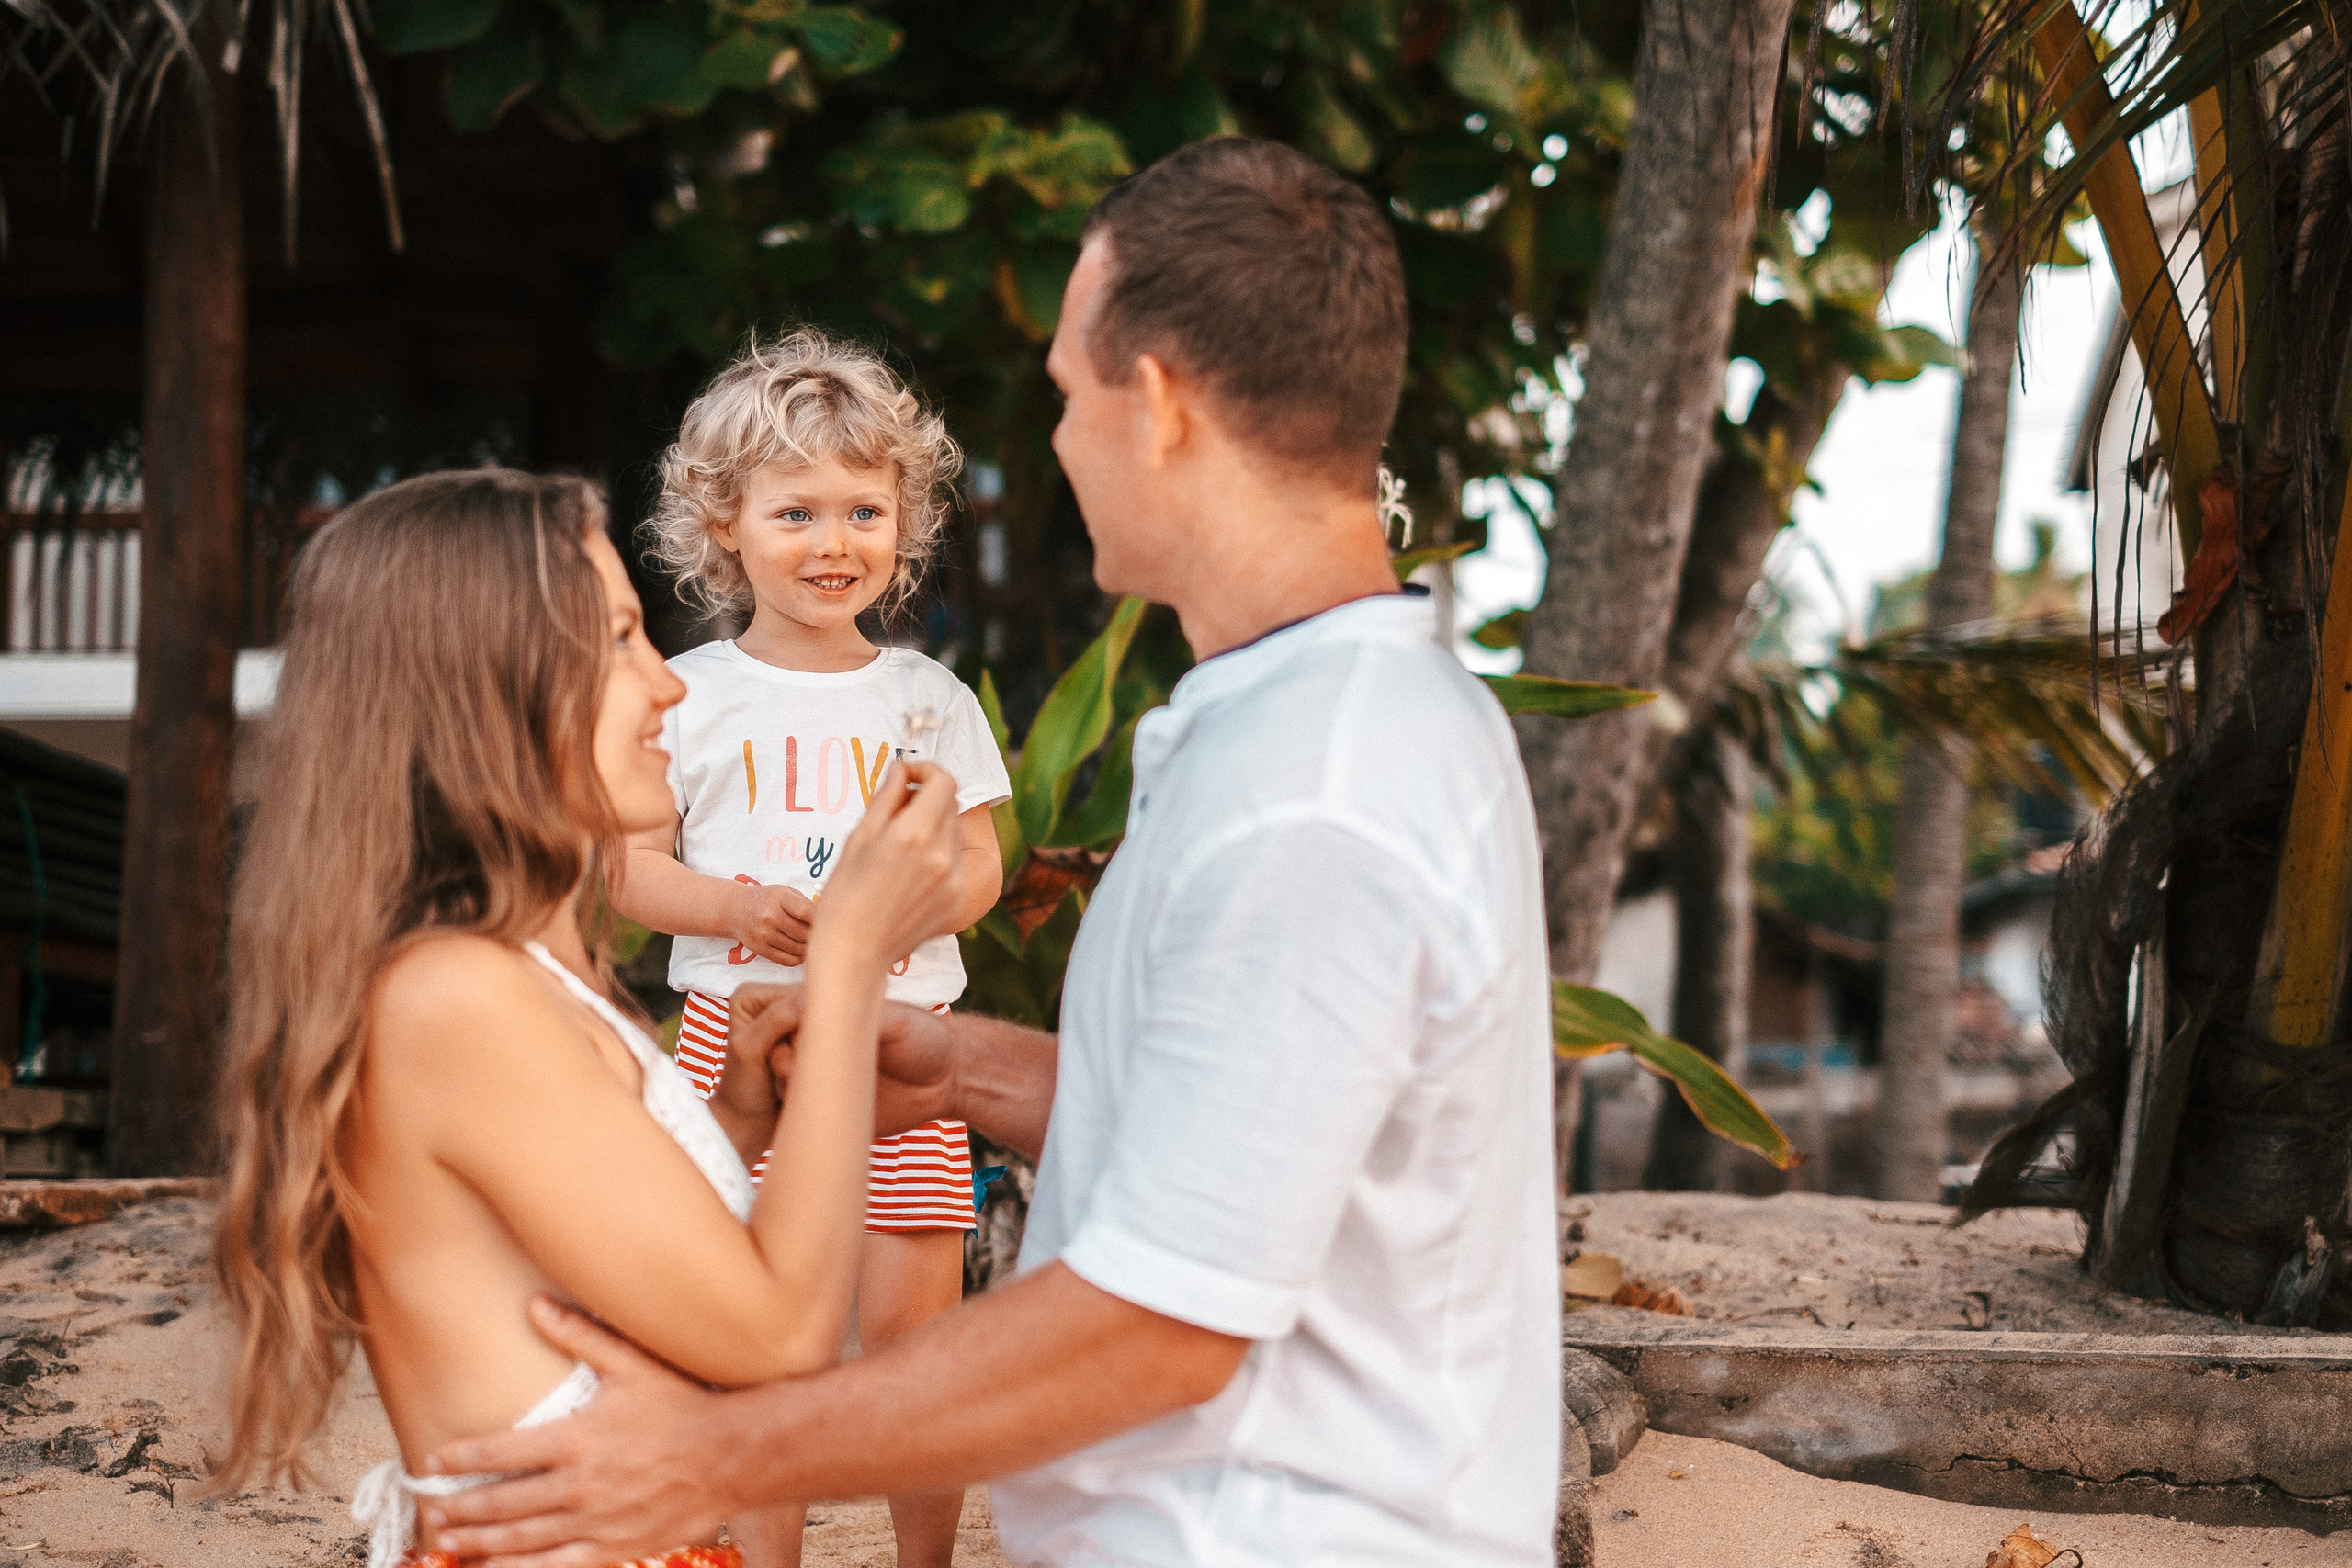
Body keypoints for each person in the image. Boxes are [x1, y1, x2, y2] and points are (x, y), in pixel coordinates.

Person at [422, 136, 1560, 1568]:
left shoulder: (1313, 789)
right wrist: (962, 1064)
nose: (1063, 440)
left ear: (1156, 408)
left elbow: (1164, 1318)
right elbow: (1254, 1129)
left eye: (1071, 398)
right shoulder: (1312, 724)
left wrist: (713, 1451)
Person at [209, 468, 967, 1568]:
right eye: (618, 642)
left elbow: (602, 1268)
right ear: (485, 687)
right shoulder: (452, 996)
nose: (665, 687)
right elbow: (779, 1333)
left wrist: (738, 1125)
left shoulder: (520, 979)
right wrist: (849, 960)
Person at [614, 330, 1012, 1568]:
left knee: (915, 1344)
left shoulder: (926, 696)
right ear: (722, 523)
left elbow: (983, 863)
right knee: (751, 1333)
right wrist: (730, 910)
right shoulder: (685, 693)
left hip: (905, 1051)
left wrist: (901, 913)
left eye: (863, 510)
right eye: (796, 511)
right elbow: (625, 864)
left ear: (905, 522)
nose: (834, 542)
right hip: (737, 1046)